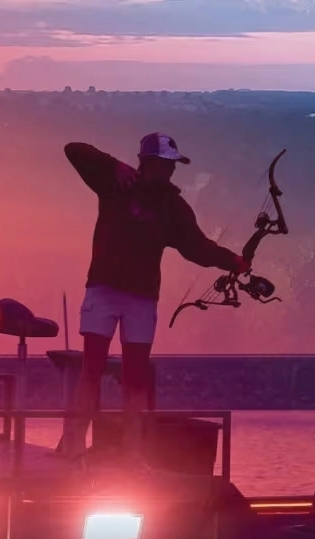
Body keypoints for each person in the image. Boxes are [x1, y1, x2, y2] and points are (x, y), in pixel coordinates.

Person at [59, 132, 249, 463]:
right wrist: (112, 163)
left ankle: (133, 454)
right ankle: (73, 443)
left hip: (142, 298)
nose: (169, 172)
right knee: (92, 367)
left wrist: (233, 260)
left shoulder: (173, 208)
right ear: (147, 163)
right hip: (103, 288)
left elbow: (197, 247)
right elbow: (73, 150)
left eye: (172, 166)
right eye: (164, 165)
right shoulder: (115, 181)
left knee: (135, 377)